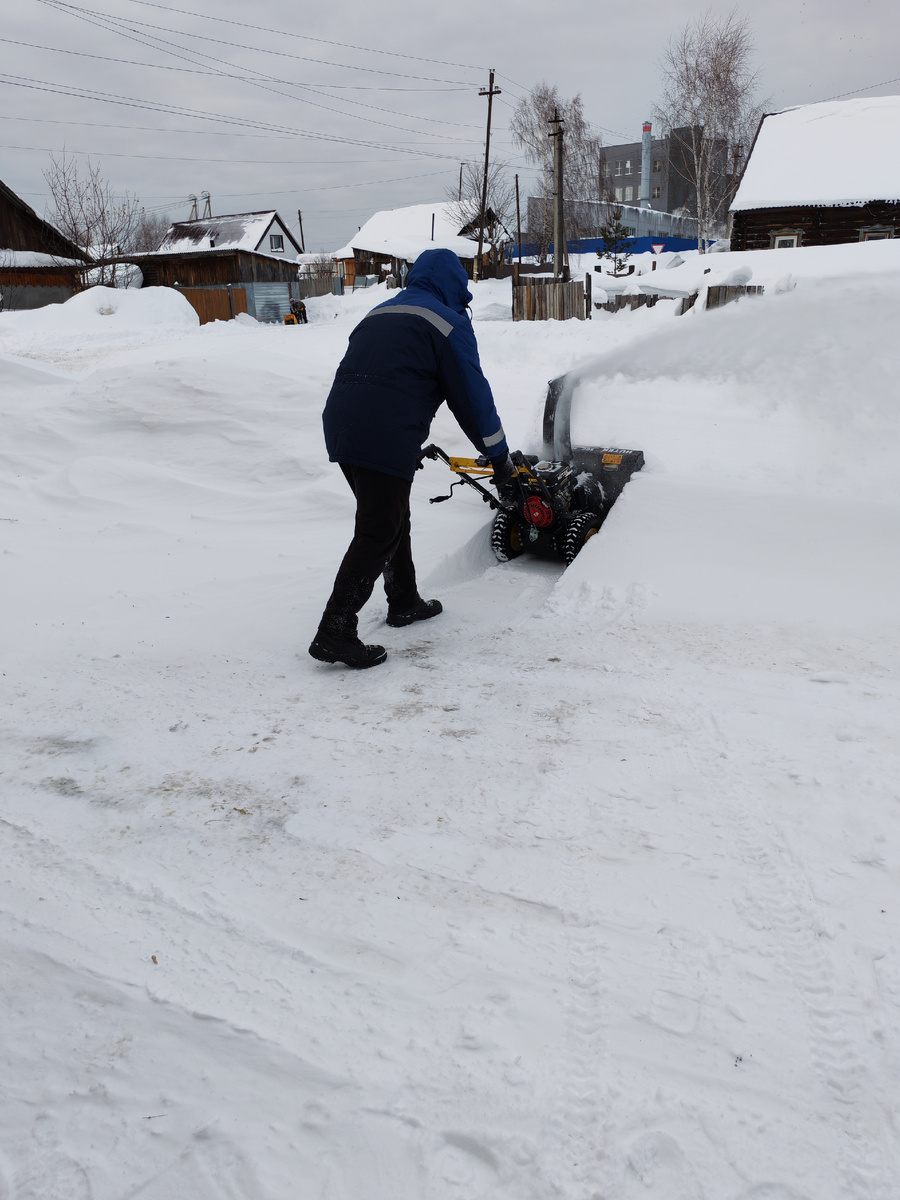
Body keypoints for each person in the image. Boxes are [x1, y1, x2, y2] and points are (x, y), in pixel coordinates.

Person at [309, 248, 514, 669]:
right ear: (456, 285)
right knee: (379, 527)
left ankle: (403, 600)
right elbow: (473, 401)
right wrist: (500, 458)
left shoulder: (381, 310)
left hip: (342, 423)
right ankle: (335, 629)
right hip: (383, 429)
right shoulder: (447, 321)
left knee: (389, 516)